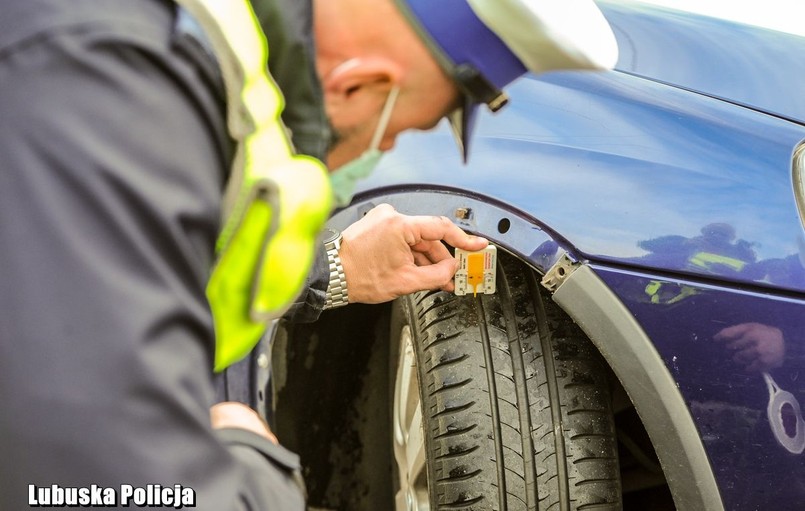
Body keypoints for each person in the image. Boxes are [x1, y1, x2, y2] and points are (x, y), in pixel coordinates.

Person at [0, 1, 617, 511]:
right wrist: (253, 471)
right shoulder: (109, 80)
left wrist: (337, 270)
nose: (388, 149)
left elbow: (133, 271)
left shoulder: (176, 64)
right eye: (400, 129)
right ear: (358, 83)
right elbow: (80, 479)